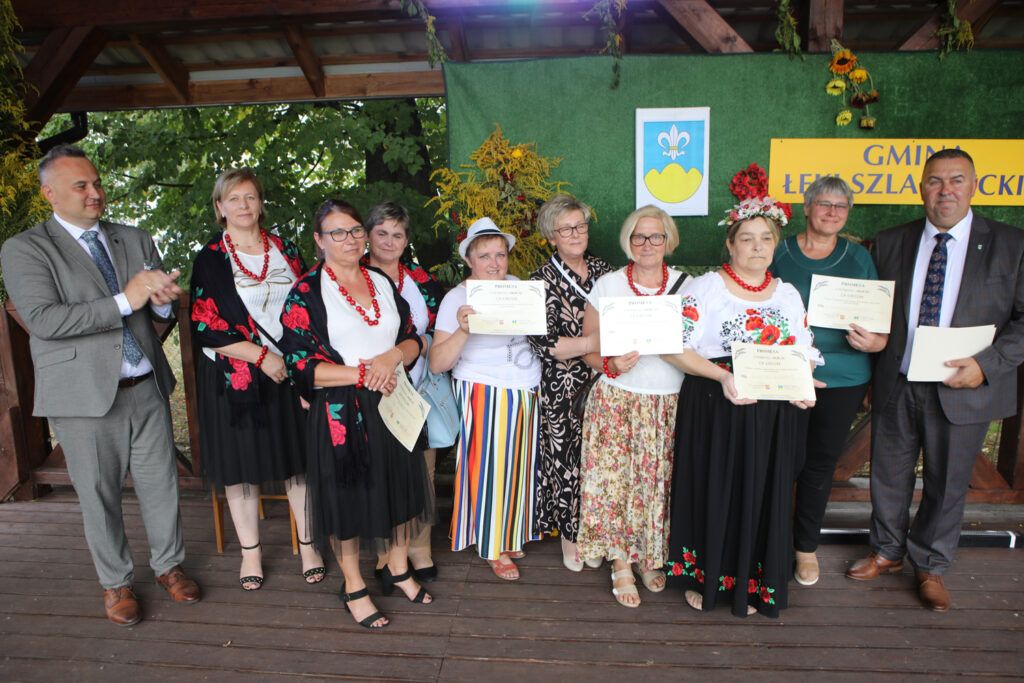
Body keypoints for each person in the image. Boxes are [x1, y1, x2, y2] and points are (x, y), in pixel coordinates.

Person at [0, 144, 200, 626]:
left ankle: (169, 566)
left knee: (162, 486)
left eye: (97, 183)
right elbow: (45, 320)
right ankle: (116, 583)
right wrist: (126, 299)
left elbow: (158, 313)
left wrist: (161, 300)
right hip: (82, 396)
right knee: (98, 493)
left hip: (146, 385)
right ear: (50, 193)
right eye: (81, 186)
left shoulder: (135, 237)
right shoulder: (25, 248)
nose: (95, 193)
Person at [845, 149, 1024, 612]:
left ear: (974, 186)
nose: (946, 190)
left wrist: (987, 365)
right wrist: (872, 341)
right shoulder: (892, 240)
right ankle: (887, 551)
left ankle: (931, 565)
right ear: (921, 187)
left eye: (956, 180)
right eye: (935, 181)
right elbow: (876, 307)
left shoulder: (1012, 244)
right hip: (898, 379)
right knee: (888, 474)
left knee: (948, 482)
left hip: (963, 383)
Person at [278, 199, 435, 629]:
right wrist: (365, 373)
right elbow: (299, 365)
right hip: (341, 410)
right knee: (345, 500)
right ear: (319, 240)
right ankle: (353, 586)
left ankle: (398, 568)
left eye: (354, 231)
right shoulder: (306, 293)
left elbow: (413, 338)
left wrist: (391, 358)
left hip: (393, 398)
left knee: (400, 488)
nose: (349, 240)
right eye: (337, 233)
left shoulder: (381, 280)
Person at [663, 197, 821, 618]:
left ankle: (752, 583)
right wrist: (722, 377)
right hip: (718, 404)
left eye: (766, 238)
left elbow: (804, 350)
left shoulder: (787, 294)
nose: (757, 247)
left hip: (772, 413)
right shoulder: (706, 287)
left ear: (775, 244)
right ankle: (706, 579)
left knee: (761, 493)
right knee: (717, 489)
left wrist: (803, 383)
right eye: (747, 239)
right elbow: (673, 347)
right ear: (730, 245)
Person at [190, 168, 323, 591]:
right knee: (240, 467)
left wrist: (298, 360)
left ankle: (309, 545)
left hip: (290, 373)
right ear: (220, 207)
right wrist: (262, 357)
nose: (243, 205)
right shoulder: (211, 258)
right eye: (233, 198)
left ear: (261, 203)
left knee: (299, 463)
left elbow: (311, 304)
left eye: (250, 196)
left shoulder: (286, 249)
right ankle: (250, 552)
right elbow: (205, 325)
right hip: (236, 377)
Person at [770, 176, 888, 586]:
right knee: (778, 461)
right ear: (807, 208)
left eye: (841, 206)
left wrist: (876, 340)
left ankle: (805, 549)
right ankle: (768, 543)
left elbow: (879, 320)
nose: (832, 212)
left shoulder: (858, 258)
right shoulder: (778, 251)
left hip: (844, 377)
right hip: (785, 374)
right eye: (824, 203)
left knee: (819, 466)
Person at [576, 205, 687, 608]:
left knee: (655, 484)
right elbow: (588, 348)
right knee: (616, 483)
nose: (647, 244)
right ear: (628, 241)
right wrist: (610, 364)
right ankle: (620, 561)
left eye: (656, 236)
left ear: (668, 241)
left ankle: (647, 556)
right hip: (618, 398)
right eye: (639, 236)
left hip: (668, 401)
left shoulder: (688, 286)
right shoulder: (608, 285)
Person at [428, 217, 542, 581]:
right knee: (489, 469)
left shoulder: (517, 288)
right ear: (469, 260)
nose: (494, 263)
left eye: (500, 255)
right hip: (483, 388)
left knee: (520, 467)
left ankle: (510, 534)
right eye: (484, 256)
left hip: (526, 387)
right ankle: (493, 545)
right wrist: (464, 329)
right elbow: (437, 362)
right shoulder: (457, 298)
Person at [527, 194, 614, 571]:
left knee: (600, 458)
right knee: (565, 460)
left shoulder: (606, 271)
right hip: (562, 386)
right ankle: (570, 534)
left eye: (580, 225)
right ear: (551, 236)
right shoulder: (539, 281)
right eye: (566, 229)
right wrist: (593, 343)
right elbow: (544, 344)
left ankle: (596, 530)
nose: (576, 233)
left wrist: (593, 347)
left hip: (606, 378)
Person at [362, 200, 447, 582]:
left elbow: (439, 331)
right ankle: (385, 554)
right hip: (371, 388)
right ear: (367, 235)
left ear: (406, 239)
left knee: (422, 471)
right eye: (381, 232)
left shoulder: (421, 280)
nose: (389, 241)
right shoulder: (352, 276)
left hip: (418, 388)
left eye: (397, 234)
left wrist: (421, 345)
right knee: (379, 473)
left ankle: (419, 547)